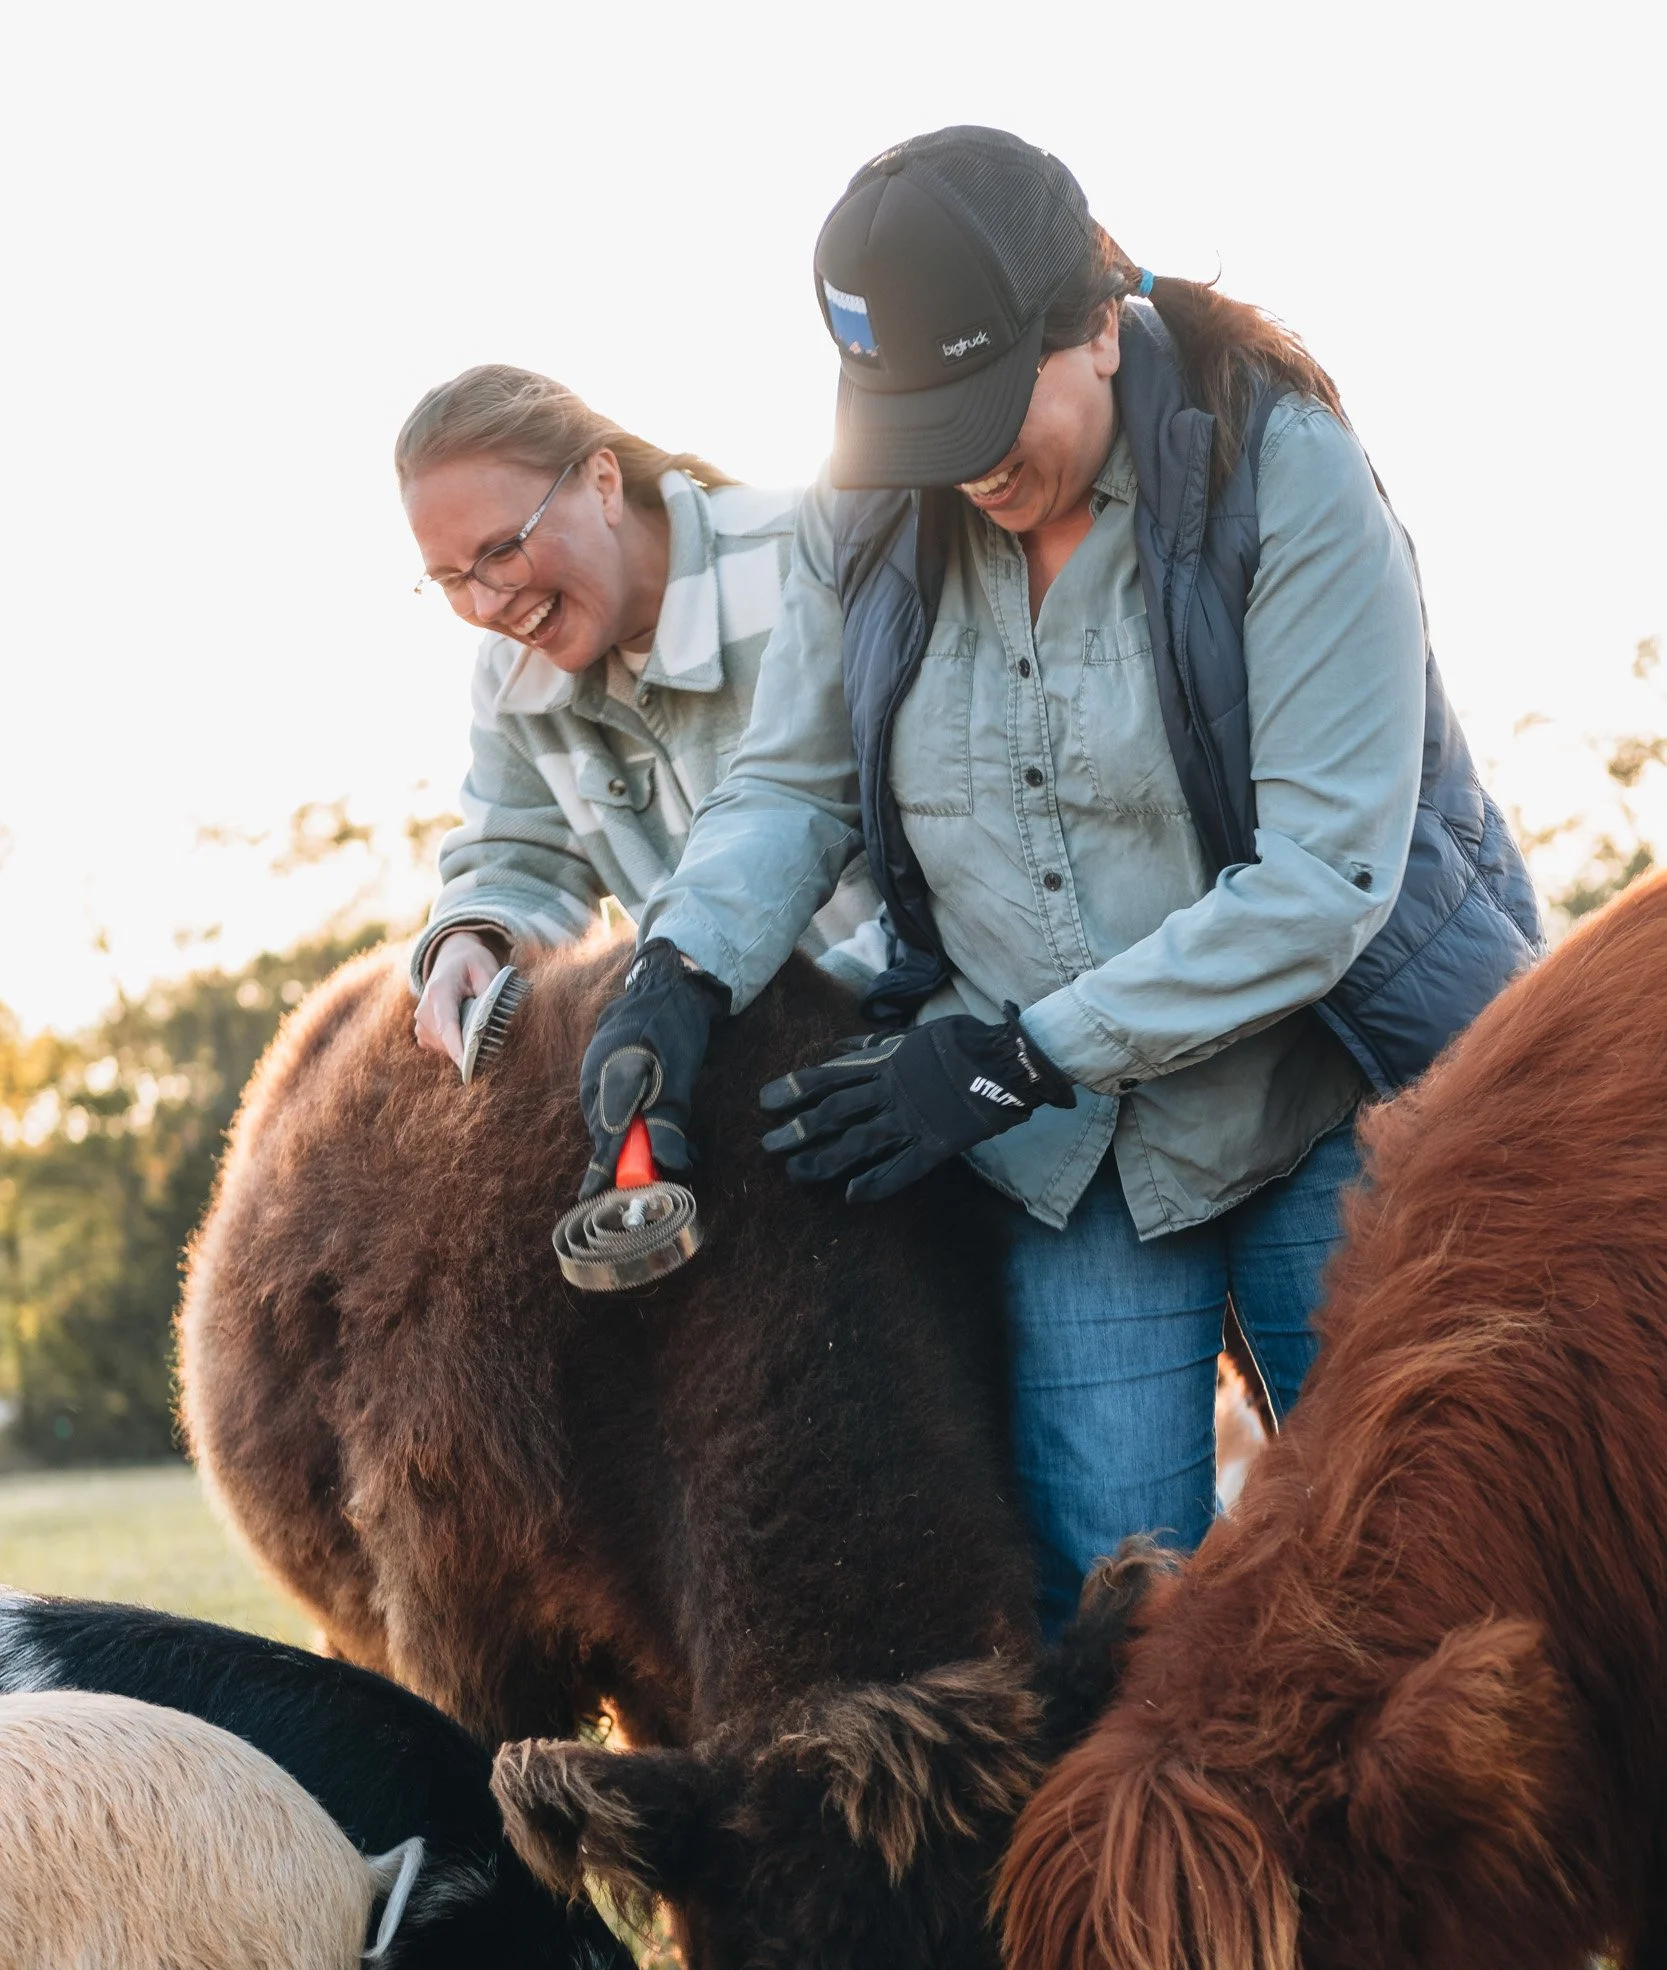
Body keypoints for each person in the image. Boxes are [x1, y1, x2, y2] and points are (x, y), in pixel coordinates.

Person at [574, 127, 1542, 1634]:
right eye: (915, 424)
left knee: (1415, 1585)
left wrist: (1020, 1055)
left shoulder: (1283, 474)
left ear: (1093, 323)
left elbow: (1321, 879)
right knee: (1108, 1618)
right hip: (1065, 1160)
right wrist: (677, 972)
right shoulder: (870, 504)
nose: (964, 464)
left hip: (1323, 1104)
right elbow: (788, 781)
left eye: (981, 409)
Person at [397, 367, 880, 1066]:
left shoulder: (813, 563)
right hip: (746, 1080)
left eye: (501, 551)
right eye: (449, 580)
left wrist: (799, 1022)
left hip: (939, 1051)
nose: (485, 606)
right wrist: (471, 941)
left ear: (602, 483)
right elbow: (520, 860)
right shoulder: (510, 683)